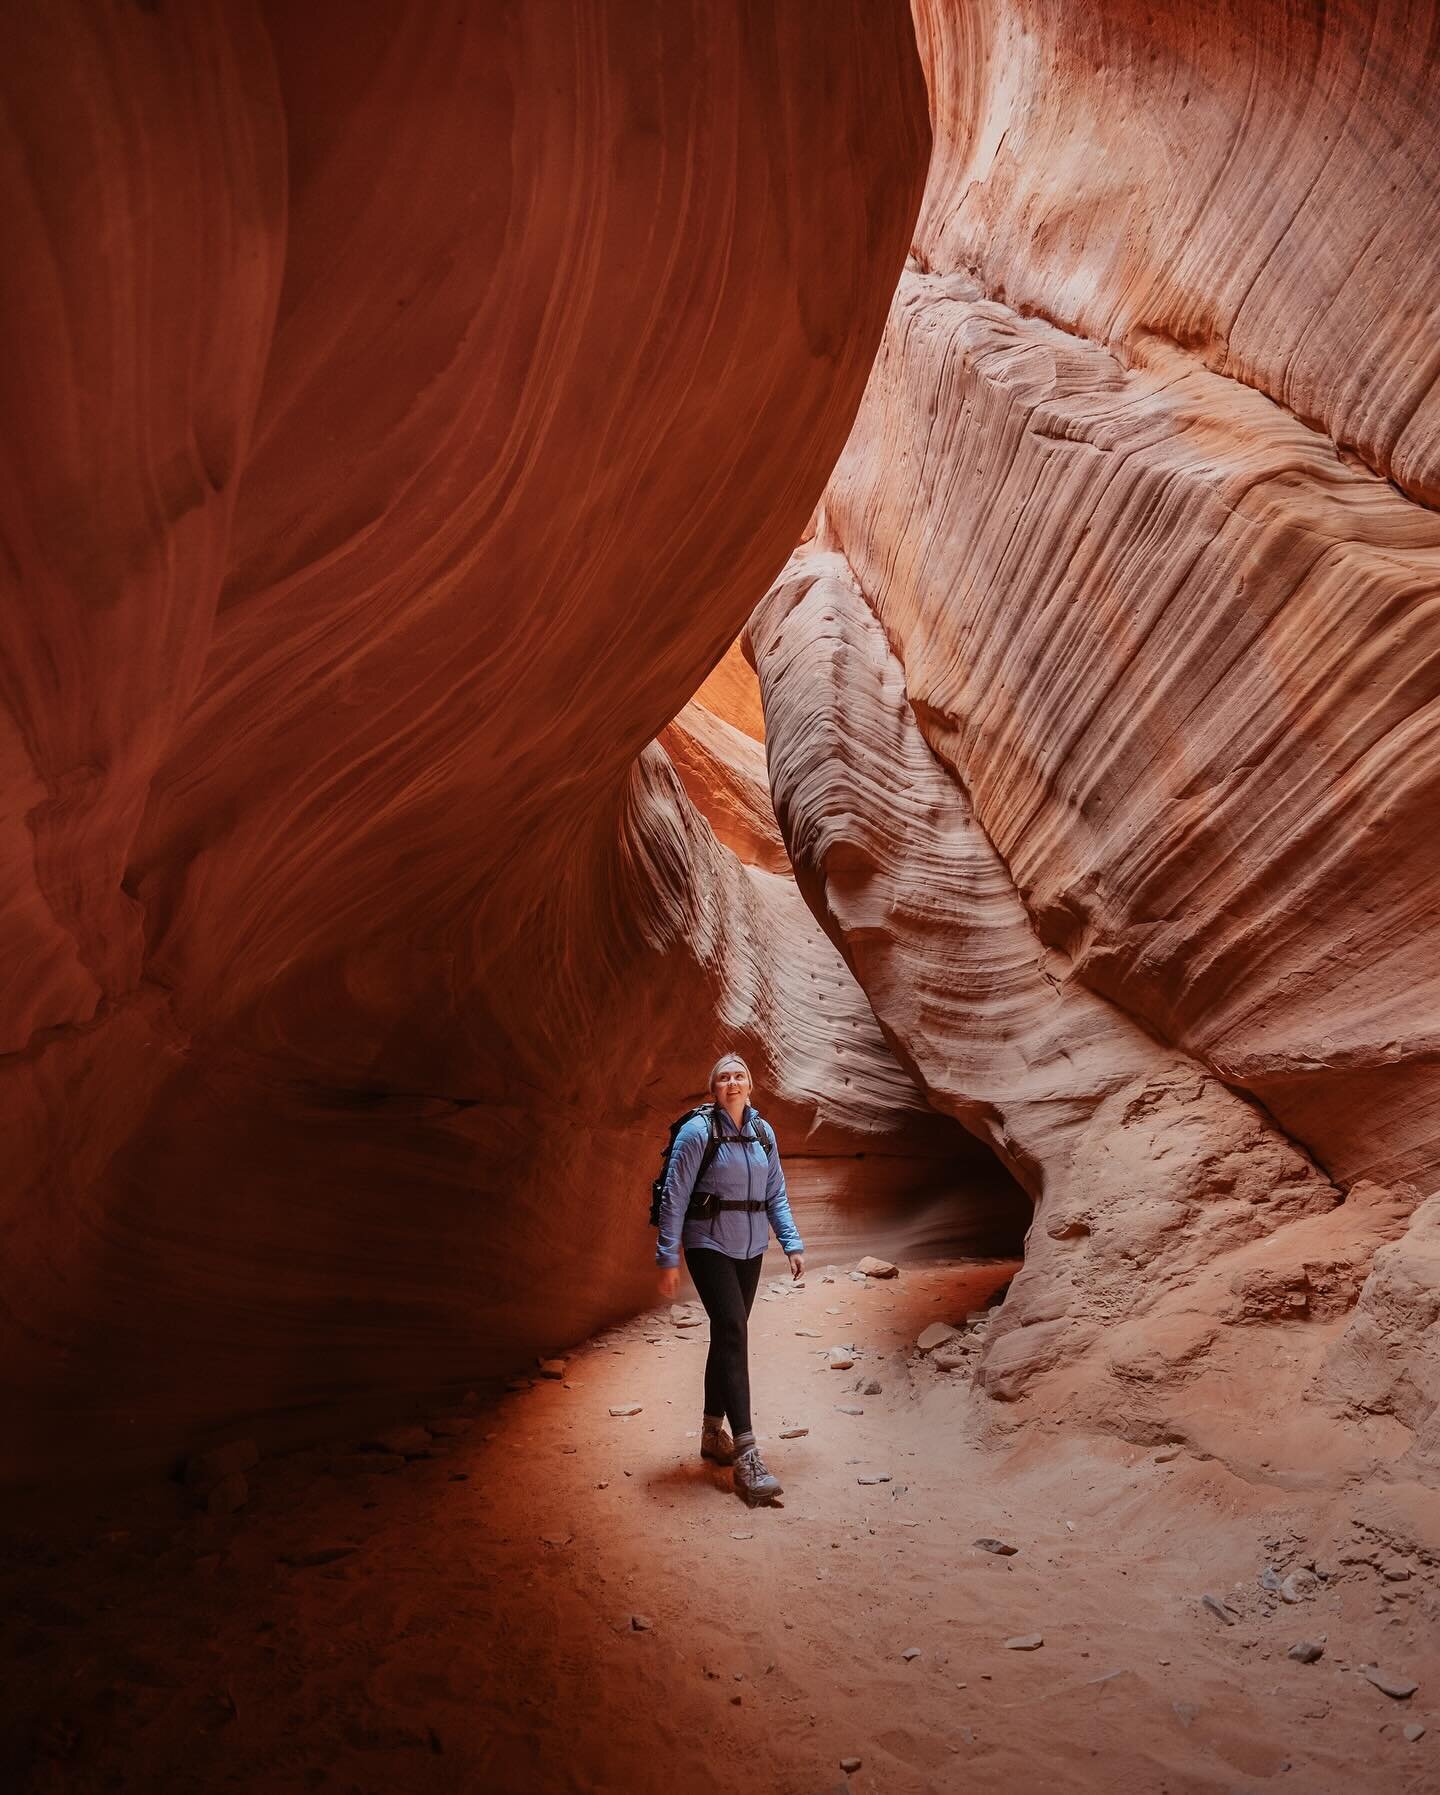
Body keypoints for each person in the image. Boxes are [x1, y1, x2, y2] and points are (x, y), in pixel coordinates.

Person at [655, 1052, 805, 1504]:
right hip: (708, 1244)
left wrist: (791, 1242)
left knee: (727, 1334)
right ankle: (747, 1456)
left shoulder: (763, 1133)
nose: (733, 1082)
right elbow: (674, 1198)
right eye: (724, 1077)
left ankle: (709, 1434)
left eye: (740, 1076)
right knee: (734, 1330)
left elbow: (775, 1191)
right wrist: (668, 1257)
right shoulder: (698, 1132)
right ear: (714, 1088)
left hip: (751, 1248)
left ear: (751, 1085)